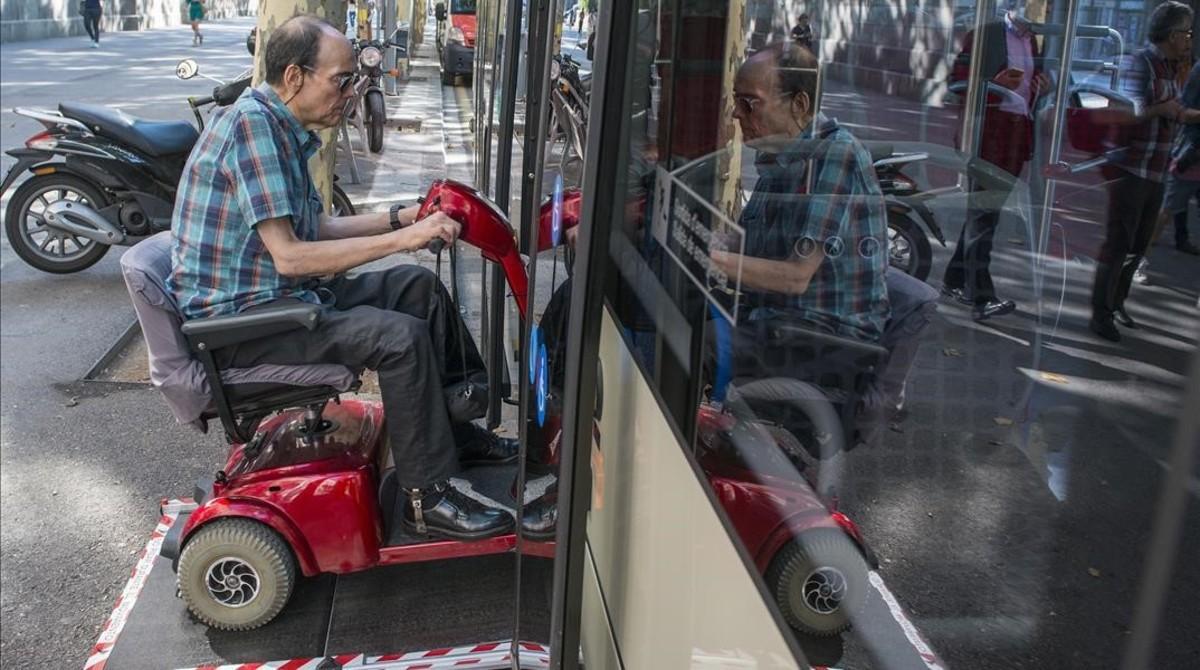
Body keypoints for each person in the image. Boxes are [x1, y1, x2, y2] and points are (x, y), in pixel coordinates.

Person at [168, 15, 517, 540]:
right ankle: (428, 496)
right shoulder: (253, 129)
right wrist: (404, 240)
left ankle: (457, 432)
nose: (351, 92)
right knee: (397, 337)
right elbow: (290, 257)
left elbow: (318, 226)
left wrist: (402, 218)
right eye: (341, 79)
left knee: (415, 288)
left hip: (276, 302)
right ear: (294, 77)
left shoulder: (280, 127)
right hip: (245, 328)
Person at [712, 41, 890, 358]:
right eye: (736, 101)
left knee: (693, 344)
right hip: (773, 316)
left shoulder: (835, 155)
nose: (736, 113)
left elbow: (795, 276)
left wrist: (707, 257)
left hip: (822, 336)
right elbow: (747, 245)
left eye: (748, 102)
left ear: (799, 104)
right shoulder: (779, 156)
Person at [1089, 1, 1193, 342]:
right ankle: (1100, 313)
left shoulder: (1170, 66)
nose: (1190, 39)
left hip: (1157, 170)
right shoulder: (1141, 61)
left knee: (1138, 243)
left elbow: (1170, 110)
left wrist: (1177, 112)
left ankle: (1118, 303)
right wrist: (1164, 108)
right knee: (1119, 241)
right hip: (1130, 168)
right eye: (1186, 33)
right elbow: (1132, 108)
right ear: (1172, 34)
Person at [942, 0, 1051, 321]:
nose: (1038, 11)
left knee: (984, 213)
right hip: (986, 134)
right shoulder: (984, 35)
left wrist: (1044, 85)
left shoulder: (1033, 40)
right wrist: (994, 85)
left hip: (1016, 137)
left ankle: (953, 279)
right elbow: (957, 84)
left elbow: (1036, 83)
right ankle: (981, 297)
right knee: (983, 213)